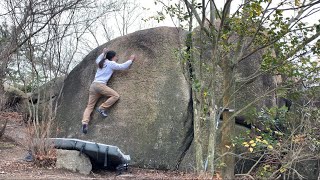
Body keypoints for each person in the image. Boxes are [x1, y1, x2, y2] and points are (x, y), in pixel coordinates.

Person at [81, 47, 136, 134]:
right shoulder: (111, 63)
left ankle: (84, 123)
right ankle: (102, 108)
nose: (117, 58)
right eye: (116, 56)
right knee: (115, 96)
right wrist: (131, 60)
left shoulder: (101, 62)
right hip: (100, 86)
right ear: (113, 57)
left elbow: (98, 59)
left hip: (93, 86)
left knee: (89, 106)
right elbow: (122, 66)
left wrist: (103, 53)